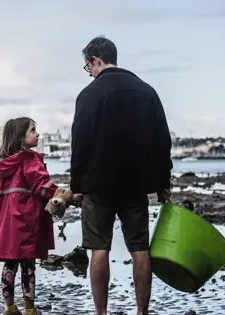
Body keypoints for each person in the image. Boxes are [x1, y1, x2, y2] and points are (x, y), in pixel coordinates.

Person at [70, 36, 173, 315]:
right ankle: (142, 311)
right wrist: (163, 182)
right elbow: (162, 141)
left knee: (99, 248)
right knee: (139, 248)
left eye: (87, 66)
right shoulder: (146, 91)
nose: (88, 72)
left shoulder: (89, 94)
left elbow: (80, 142)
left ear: (96, 60)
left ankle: (100, 313)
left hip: (97, 184)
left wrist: (76, 184)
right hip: (136, 184)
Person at [0, 117, 59, 315]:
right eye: (32, 130)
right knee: (28, 266)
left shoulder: (4, 165)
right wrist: (66, 196)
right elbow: (42, 186)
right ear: (21, 138)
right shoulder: (29, 159)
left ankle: (9, 308)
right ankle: (30, 310)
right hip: (27, 221)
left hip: (7, 224)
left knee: (9, 263)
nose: (37, 134)